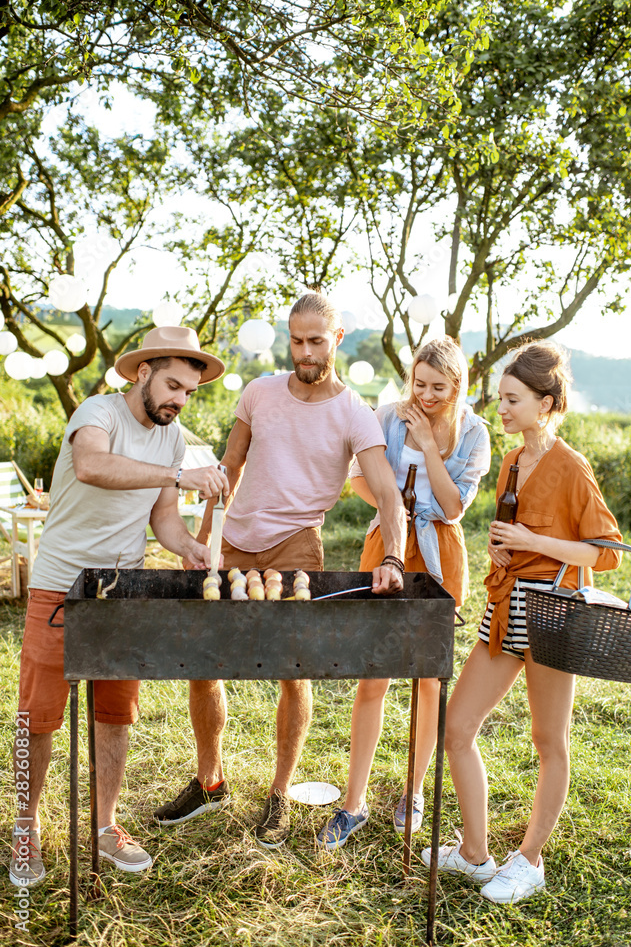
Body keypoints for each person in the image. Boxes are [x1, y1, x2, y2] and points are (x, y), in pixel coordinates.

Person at [154, 292, 407, 849]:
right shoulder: (259, 392)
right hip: (236, 539)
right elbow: (228, 469)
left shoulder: (354, 414)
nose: (305, 352)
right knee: (205, 662)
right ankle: (209, 780)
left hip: (297, 545)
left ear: (337, 340)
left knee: (294, 671)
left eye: (316, 342)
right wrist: (202, 543)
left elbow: (388, 494)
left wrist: (393, 556)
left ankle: (278, 794)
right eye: (296, 341)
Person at [10, 326, 229, 889]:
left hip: (122, 590)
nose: (179, 400)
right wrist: (180, 475)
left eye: (190, 392)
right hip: (60, 586)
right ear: (142, 374)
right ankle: (24, 827)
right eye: (173, 385)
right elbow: (92, 467)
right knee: (38, 717)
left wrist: (190, 547)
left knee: (115, 714)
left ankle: (106, 825)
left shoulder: (171, 438)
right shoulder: (97, 413)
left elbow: (163, 518)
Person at [422, 341, 622, 903]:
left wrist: (535, 542)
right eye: (501, 398)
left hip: (554, 615)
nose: (501, 409)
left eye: (513, 400)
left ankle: (529, 860)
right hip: (505, 605)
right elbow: (514, 530)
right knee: (456, 727)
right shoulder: (512, 460)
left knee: (547, 740)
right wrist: (504, 549)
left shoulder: (571, 466)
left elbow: (606, 551)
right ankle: (475, 853)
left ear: (546, 402)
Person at [317, 337, 491, 849]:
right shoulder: (386, 417)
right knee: (373, 677)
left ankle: (413, 790)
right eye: (419, 383)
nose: (427, 394)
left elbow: (455, 506)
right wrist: (398, 512)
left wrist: (432, 449)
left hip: (441, 551)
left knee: (428, 683)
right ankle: (354, 803)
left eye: (439, 387)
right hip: (386, 546)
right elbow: (360, 482)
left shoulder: (474, 433)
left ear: (458, 387)